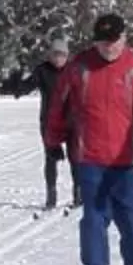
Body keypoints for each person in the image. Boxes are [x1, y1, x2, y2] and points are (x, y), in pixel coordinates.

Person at [42, 10, 133, 265]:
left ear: (124, 38)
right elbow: (58, 105)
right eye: (102, 42)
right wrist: (53, 141)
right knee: (93, 222)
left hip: (127, 161)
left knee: (130, 220)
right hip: (90, 159)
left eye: (113, 41)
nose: (108, 47)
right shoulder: (79, 68)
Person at [31, 38, 75, 209]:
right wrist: (16, 86)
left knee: (75, 158)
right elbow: (28, 85)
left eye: (62, 55)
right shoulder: (42, 71)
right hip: (49, 121)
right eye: (55, 55)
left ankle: (78, 193)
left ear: (67, 56)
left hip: (71, 120)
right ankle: (51, 194)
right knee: (50, 158)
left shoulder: (73, 70)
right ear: (50, 56)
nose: (58, 59)